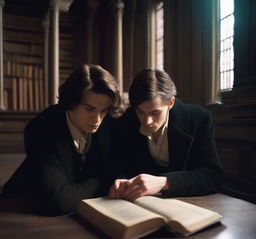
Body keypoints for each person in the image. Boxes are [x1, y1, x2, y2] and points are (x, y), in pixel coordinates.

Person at [2, 64, 122, 215]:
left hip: (79, 212)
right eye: (89, 108)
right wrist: (105, 180)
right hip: (18, 208)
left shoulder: (108, 123)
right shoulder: (43, 127)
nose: (97, 119)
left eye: (103, 110)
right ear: (71, 102)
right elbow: (59, 201)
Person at [109, 68, 223, 201]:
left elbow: (213, 176)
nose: (147, 121)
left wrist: (164, 182)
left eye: (155, 113)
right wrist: (121, 180)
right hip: (140, 203)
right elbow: (120, 165)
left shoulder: (199, 119)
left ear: (171, 103)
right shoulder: (128, 120)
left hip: (188, 202)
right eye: (140, 112)